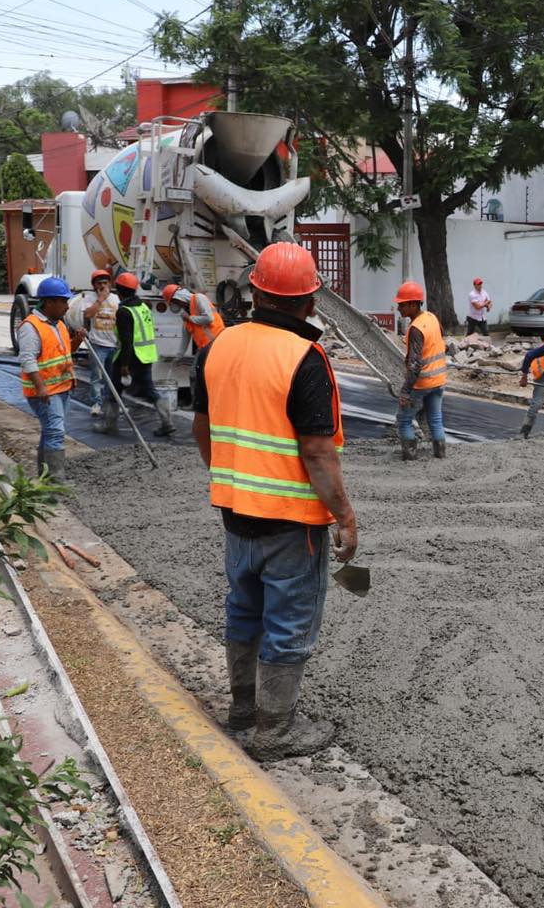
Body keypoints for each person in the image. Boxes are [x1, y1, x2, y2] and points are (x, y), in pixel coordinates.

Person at [191, 241, 356, 761]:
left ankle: (242, 712)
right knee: (289, 623)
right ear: (310, 301)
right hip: (290, 523)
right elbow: (317, 451)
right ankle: (275, 733)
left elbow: (202, 429)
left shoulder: (217, 346)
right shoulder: (305, 358)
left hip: (235, 514)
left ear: (256, 291)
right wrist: (345, 516)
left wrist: (231, 480)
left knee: (244, 609)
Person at [16, 277, 85, 481]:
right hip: (45, 391)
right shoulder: (31, 326)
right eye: (63, 302)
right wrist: (40, 388)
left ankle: (45, 477)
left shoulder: (58, 324)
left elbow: (65, 352)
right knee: (55, 433)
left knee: (49, 432)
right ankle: (56, 480)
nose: (66, 306)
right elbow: (27, 359)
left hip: (61, 387)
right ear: (49, 302)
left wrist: (78, 340)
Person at [106, 272, 175, 438]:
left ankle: (109, 425)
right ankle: (167, 422)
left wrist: (124, 365)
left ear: (119, 291)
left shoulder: (124, 311)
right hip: (146, 355)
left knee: (114, 390)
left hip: (130, 357)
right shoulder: (143, 306)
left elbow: (127, 340)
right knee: (150, 391)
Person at [394, 280, 447, 461]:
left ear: (414, 304)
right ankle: (440, 453)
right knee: (435, 418)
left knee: (404, 419)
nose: (399, 308)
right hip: (439, 380)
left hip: (422, 382)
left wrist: (405, 391)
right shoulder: (431, 317)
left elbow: (415, 364)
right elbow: (440, 336)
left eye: (402, 304)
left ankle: (409, 456)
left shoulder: (416, 328)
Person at [73, 269, 120, 416]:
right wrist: (100, 299)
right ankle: (96, 403)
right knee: (96, 377)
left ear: (110, 284)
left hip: (114, 345)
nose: (102, 286)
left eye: (105, 283)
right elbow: (87, 314)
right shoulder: (89, 298)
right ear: (94, 285)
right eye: (99, 283)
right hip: (97, 344)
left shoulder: (116, 299)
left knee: (111, 378)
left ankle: (110, 405)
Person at [161, 283, 226, 355]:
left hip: (217, 343)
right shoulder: (186, 313)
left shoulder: (199, 298)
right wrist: (179, 355)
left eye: (175, 302)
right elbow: (185, 338)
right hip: (205, 348)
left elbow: (209, 318)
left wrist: (189, 318)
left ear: (178, 298)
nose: (178, 305)